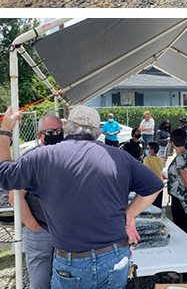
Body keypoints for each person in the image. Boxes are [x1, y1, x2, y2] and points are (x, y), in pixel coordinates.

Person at [0, 105, 163, 289]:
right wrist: (129, 214)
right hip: (114, 256)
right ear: (98, 132)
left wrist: (5, 131)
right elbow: (155, 185)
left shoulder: (42, 157)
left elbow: (4, 175)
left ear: (67, 128)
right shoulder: (119, 157)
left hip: (72, 261)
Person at [13, 113, 62, 289]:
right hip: (40, 230)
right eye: (50, 131)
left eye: (59, 131)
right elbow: (16, 197)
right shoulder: (30, 159)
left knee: (64, 280)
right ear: (40, 134)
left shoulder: (67, 155)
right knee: (40, 282)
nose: (55, 134)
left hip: (65, 231)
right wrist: (34, 226)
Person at [167, 127, 187, 236]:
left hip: (180, 197)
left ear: (172, 142)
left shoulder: (180, 159)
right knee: (185, 225)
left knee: (182, 228)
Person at [143, 141, 165, 209]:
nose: (147, 150)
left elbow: (145, 170)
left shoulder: (147, 159)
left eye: (148, 148)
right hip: (160, 183)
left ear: (152, 150)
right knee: (158, 205)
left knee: (150, 205)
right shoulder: (160, 159)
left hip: (151, 183)